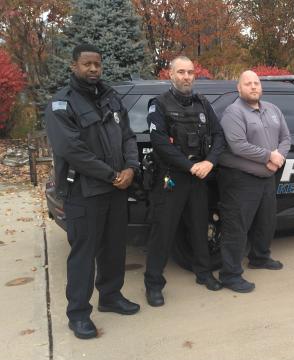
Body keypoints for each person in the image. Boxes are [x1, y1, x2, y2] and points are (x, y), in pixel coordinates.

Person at [45, 44, 140, 339]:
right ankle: (78, 314)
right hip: (83, 192)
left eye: (97, 64)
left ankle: (110, 297)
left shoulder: (111, 98)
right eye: (87, 64)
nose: (93, 69)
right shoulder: (62, 104)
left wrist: (131, 168)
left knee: (114, 248)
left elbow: (127, 135)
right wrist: (112, 174)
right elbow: (72, 150)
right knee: (83, 255)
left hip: (115, 189)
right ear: (74, 66)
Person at [144, 56, 226, 306]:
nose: (187, 76)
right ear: (170, 75)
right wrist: (190, 166)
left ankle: (203, 273)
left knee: (200, 227)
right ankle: (153, 284)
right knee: (163, 232)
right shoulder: (158, 104)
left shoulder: (202, 103)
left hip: (199, 176)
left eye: (190, 72)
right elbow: (159, 144)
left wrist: (210, 161)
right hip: (171, 178)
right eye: (181, 72)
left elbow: (219, 135)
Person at [217, 70, 291, 293]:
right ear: (239, 88)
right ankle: (229, 274)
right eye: (247, 83)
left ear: (261, 86)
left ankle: (259, 257)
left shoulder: (273, 109)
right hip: (240, 180)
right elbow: (238, 145)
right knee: (236, 228)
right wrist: (269, 156)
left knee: (265, 222)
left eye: (256, 83)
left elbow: (286, 138)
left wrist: (278, 159)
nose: (253, 86)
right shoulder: (234, 112)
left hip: (268, 176)